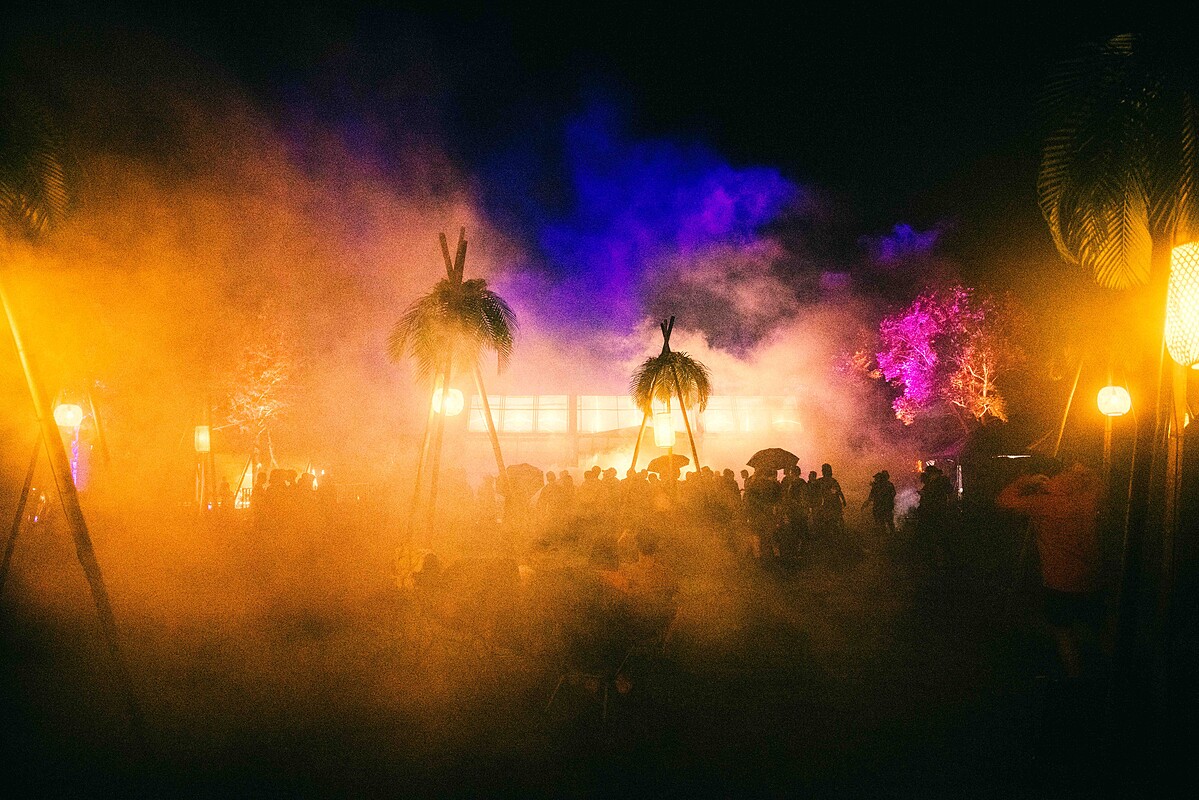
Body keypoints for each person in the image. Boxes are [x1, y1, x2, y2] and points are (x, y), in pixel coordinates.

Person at [997, 460, 1105, 680]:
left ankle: (1077, 680)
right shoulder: (1087, 496)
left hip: (1059, 581)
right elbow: (1100, 485)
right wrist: (1085, 472)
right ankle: (1106, 675)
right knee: (1097, 629)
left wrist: (1025, 482)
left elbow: (1003, 501)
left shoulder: (1043, 502)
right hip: (1092, 577)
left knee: (1063, 631)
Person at [813, 463, 846, 538]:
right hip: (829, 504)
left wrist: (843, 501)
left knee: (832, 522)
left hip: (831, 504)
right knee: (829, 522)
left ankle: (835, 536)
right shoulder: (826, 481)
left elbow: (838, 491)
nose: (822, 471)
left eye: (823, 470)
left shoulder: (829, 481)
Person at [862, 470, 897, 536]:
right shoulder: (883, 485)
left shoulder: (883, 485)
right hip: (883, 507)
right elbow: (871, 496)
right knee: (885, 522)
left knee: (886, 522)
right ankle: (889, 535)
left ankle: (889, 535)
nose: (875, 479)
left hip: (883, 507)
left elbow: (892, 494)